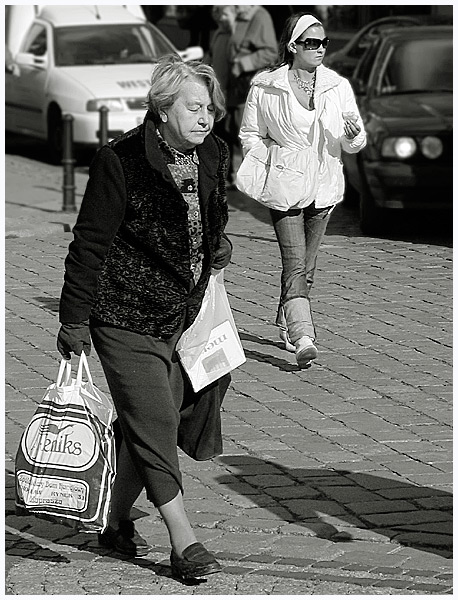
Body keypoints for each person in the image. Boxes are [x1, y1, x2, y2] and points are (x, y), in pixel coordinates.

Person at [57, 54, 232, 582]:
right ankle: (184, 540)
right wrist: (73, 319)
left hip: (185, 312)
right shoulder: (123, 159)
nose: (206, 118)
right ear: (164, 107)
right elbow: (89, 242)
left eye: (210, 108)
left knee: (159, 414)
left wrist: (215, 248)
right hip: (123, 312)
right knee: (153, 417)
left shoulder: (212, 153)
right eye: (194, 107)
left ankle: (113, 520)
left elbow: (209, 219)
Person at [238, 13, 366, 369]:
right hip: (285, 184)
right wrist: (269, 160)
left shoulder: (336, 86)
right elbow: (251, 134)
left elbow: (354, 142)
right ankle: (303, 337)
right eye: (312, 43)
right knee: (294, 264)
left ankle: (286, 320)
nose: (320, 49)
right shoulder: (266, 86)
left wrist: (354, 135)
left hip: (324, 186)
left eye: (324, 42)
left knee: (306, 268)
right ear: (293, 46)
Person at [226, 5, 277, 185]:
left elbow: (270, 52)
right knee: (232, 130)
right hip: (235, 87)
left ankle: (259, 177)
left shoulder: (259, 16)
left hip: (248, 86)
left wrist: (243, 63)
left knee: (248, 131)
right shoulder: (240, 16)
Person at [206, 5, 237, 184]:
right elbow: (211, 59)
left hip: (232, 95)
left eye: (224, 14)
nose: (220, 18)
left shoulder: (236, 36)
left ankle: (231, 174)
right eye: (217, 15)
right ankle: (224, 173)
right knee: (220, 135)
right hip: (218, 93)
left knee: (231, 134)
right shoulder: (218, 34)